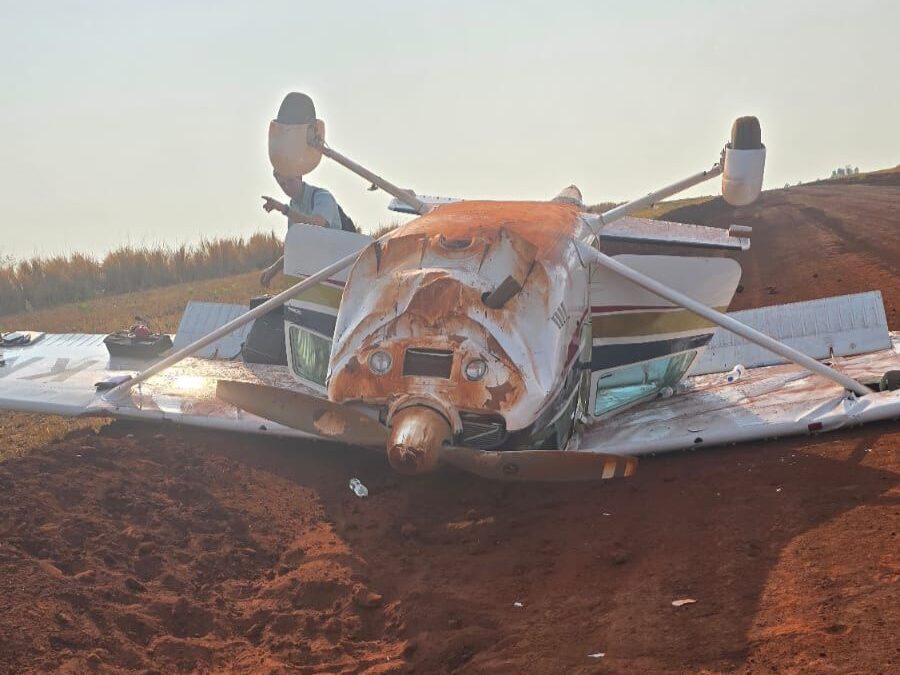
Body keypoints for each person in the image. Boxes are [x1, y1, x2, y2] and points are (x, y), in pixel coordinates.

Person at [259, 93, 345, 287]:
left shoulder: (322, 197)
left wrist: (284, 210)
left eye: (289, 182)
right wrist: (274, 269)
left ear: (299, 175)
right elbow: (297, 247)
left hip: (339, 272)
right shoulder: (294, 207)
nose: (286, 187)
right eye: (282, 184)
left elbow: (317, 226)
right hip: (316, 274)